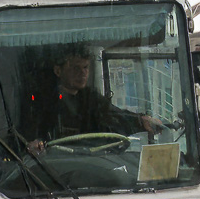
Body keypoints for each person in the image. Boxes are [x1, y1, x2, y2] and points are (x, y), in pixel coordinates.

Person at [25, 47, 159, 155]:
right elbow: (33, 133)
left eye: (85, 67)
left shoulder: (91, 98)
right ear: (58, 71)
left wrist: (140, 121)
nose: (83, 73)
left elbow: (113, 115)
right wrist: (36, 143)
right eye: (76, 68)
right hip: (54, 164)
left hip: (90, 162)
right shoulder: (43, 100)